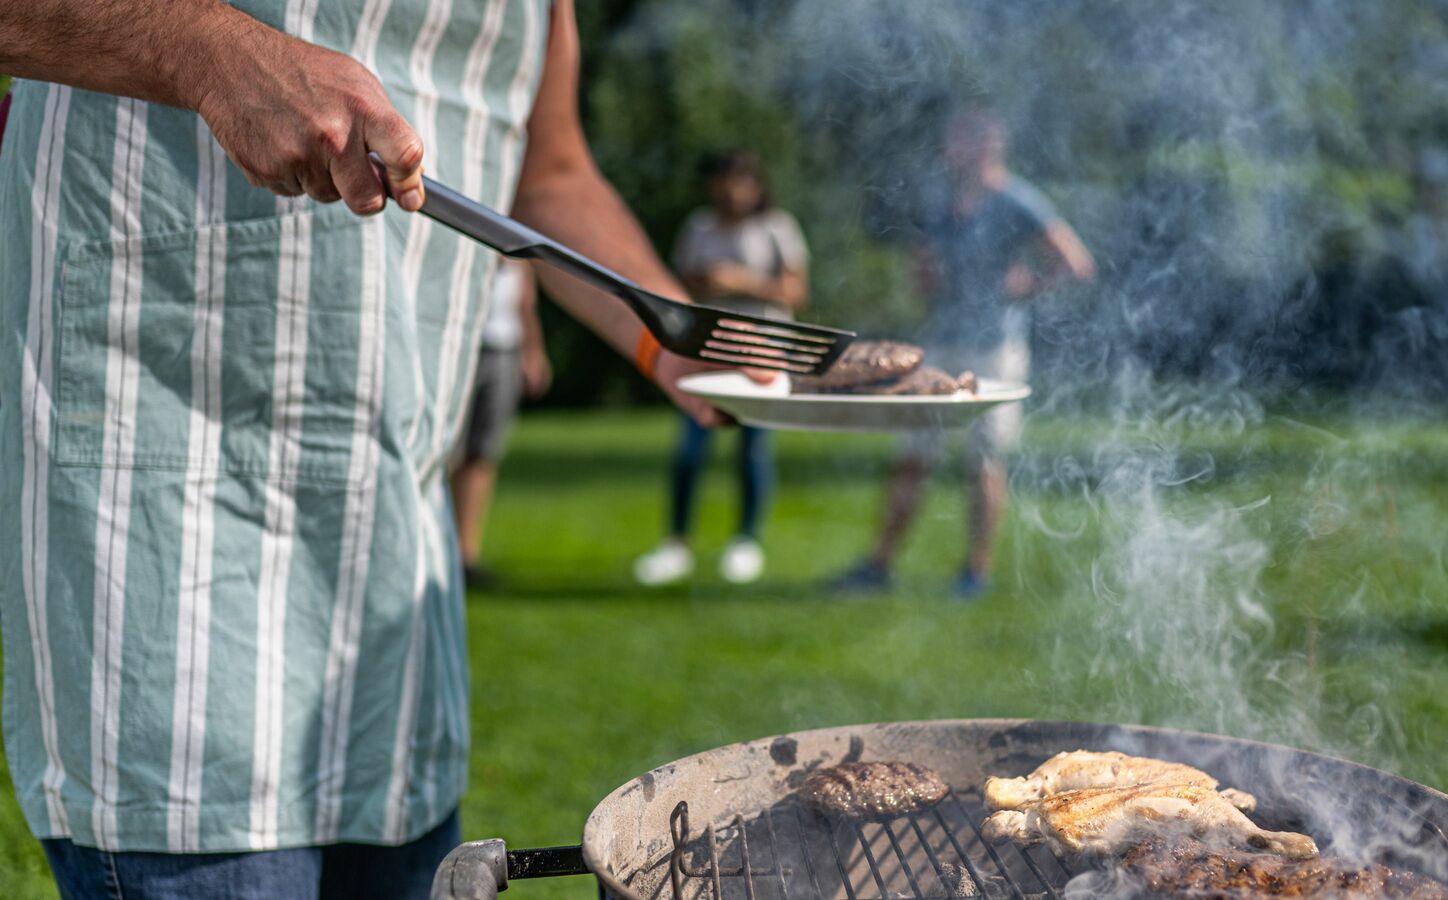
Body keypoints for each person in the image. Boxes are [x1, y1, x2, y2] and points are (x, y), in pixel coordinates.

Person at [0, 1, 745, 896]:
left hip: (393, 586)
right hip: (162, 539)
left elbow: (546, 172)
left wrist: (677, 340)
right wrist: (209, 52)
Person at [833, 109, 1096, 600]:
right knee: (912, 456)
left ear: (989, 143)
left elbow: (1077, 264)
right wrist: (925, 277)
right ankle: (879, 565)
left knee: (983, 461)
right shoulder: (940, 201)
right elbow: (922, 266)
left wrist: (1029, 286)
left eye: (960, 138)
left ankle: (975, 572)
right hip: (940, 344)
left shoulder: (1019, 201)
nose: (949, 146)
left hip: (993, 349)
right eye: (950, 136)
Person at [634, 151, 810, 586]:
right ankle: (677, 543)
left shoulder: (776, 227)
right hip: (709, 354)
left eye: (740, 181)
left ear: (756, 184)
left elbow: (795, 290)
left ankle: (746, 541)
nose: (731, 191)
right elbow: (678, 283)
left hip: (763, 355)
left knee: (753, 449)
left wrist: (739, 281)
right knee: (690, 450)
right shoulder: (700, 227)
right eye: (723, 181)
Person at [451, 260, 551, 590]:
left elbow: (525, 303)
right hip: (461, 347)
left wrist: (533, 351)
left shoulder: (517, 249)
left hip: (504, 350)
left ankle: (466, 555)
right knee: (448, 454)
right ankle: (440, 551)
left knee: (483, 453)